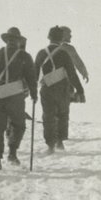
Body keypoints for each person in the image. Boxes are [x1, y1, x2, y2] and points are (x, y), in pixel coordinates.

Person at [0, 27, 38, 173]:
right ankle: (12, 153)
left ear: (7, 40)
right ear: (18, 41)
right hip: (16, 95)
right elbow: (32, 78)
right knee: (18, 124)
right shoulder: (25, 56)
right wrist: (34, 94)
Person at [34, 26, 86, 155]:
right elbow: (72, 74)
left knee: (48, 116)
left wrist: (32, 90)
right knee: (62, 114)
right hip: (63, 89)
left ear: (49, 37)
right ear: (61, 38)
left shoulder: (41, 53)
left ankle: (50, 145)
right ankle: (60, 142)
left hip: (46, 88)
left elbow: (34, 74)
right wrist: (80, 90)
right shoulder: (64, 53)